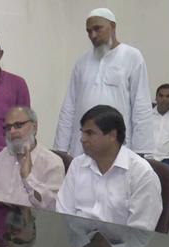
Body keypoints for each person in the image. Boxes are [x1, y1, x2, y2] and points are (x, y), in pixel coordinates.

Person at [53, 8, 153, 157]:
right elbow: (69, 106)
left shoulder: (132, 56)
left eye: (97, 29)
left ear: (112, 26)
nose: (92, 35)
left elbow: (141, 105)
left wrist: (141, 150)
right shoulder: (82, 62)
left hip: (116, 144)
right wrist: (60, 148)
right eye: (88, 31)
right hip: (82, 146)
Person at [56, 105, 162, 231]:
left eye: (90, 133)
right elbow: (63, 214)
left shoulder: (142, 174)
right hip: (78, 243)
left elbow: (139, 233)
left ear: (112, 135)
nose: (82, 139)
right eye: (82, 132)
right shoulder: (77, 164)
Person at [0, 106, 65, 210]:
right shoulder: (3, 155)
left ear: (34, 127)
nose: (12, 131)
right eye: (8, 128)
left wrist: (28, 178)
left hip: (31, 224)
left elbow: (52, 207)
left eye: (18, 125)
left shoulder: (52, 163)